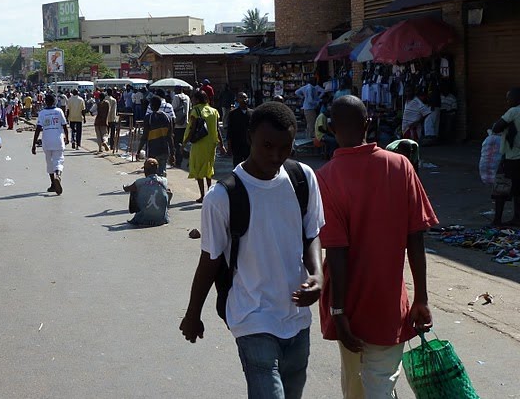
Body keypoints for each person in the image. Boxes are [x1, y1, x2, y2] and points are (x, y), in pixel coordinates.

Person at [180, 101, 325, 399]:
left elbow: (311, 234)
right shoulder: (222, 197)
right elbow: (210, 260)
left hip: (297, 317)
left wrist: (319, 275)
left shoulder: (303, 179)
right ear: (250, 138)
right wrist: (193, 313)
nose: (276, 155)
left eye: (284, 147)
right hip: (251, 317)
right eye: (267, 145)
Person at [316, 95, 437, 398]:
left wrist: (339, 311)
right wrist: (421, 297)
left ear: (331, 128)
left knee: (356, 384)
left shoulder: (326, 177)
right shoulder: (400, 166)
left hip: (349, 305)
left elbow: (337, 251)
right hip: (388, 306)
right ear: (368, 123)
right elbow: (416, 237)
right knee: (381, 383)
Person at [182, 91, 225, 203]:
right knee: (208, 168)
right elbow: (217, 129)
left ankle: (202, 195)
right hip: (211, 144)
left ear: (197, 100)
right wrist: (221, 145)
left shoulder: (195, 111)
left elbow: (192, 129)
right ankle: (210, 194)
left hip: (199, 144)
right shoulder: (214, 111)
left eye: (193, 99)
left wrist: (184, 143)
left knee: (198, 169)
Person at [491, 87, 520, 226]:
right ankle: (517, 217)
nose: (507, 102)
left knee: (501, 187)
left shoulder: (514, 111)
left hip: (512, 156)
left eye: (509, 99)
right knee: (518, 190)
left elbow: (497, 127)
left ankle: (497, 219)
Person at [32, 94, 69, 195]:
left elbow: (38, 128)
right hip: (58, 140)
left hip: (47, 141)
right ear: (54, 101)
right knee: (59, 160)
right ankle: (58, 175)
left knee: (49, 163)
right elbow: (65, 126)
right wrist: (67, 138)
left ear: (45, 101)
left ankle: (53, 183)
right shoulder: (59, 111)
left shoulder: (42, 113)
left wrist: (34, 144)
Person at [123, 158, 170, 227]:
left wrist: (125, 186)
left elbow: (126, 189)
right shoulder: (164, 181)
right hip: (161, 220)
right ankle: (163, 213)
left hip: (143, 220)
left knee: (134, 191)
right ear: (156, 170)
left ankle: (140, 215)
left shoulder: (139, 182)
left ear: (145, 170)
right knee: (168, 192)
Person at [137, 96, 174, 176]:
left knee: (151, 174)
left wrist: (138, 150)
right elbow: (170, 137)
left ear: (152, 106)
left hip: (152, 150)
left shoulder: (148, 118)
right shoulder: (168, 118)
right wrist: (172, 153)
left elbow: (144, 136)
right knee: (162, 173)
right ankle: (162, 187)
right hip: (164, 150)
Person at [225, 92, 253, 167]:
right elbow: (229, 131)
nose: (244, 100)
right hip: (237, 145)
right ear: (237, 100)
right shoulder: (233, 114)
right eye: (241, 98)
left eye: (245, 98)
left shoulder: (252, 113)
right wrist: (229, 147)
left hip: (249, 146)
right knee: (238, 166)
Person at [171, 85, 190, 168]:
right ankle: (185, 156)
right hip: (186, 123)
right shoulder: (187, 97)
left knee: (176, 144)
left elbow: (173, 109)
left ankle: (180, 160)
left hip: (178, 124)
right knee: (182, 143)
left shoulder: (176, 97)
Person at [314, 94, 338, 158]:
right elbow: (320, 128)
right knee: (333, 141)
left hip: (324, 134)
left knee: (335, 139)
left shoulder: (326, 117)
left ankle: (328, 153)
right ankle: (331, 155)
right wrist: (329, 133)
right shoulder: (322, 116)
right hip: (320, 135)